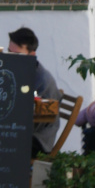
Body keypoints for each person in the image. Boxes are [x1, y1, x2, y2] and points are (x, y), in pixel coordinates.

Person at [7, 26, 60, 157]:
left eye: (17, 55)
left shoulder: (43, 80)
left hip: (38, 139)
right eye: (9, 53)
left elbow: (38, 121)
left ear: (31, 55)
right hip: (20, 131)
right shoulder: (17, 71)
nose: (11, 58)